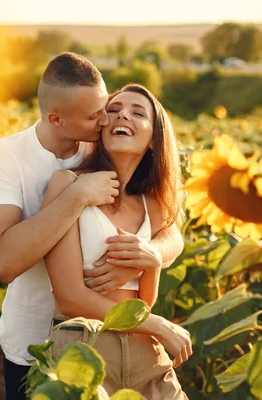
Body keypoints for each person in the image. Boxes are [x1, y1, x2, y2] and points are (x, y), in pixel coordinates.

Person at [0, 53, 185, 400]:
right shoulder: (9, 156)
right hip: (37, 340)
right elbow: (3, 263)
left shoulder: (108, 145)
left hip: (130, 347)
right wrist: (76, 197)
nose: (109, 119)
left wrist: (146, 256)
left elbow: (171, 232)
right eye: (98, 115)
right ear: (57, 119)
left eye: (108, 108)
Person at [42, 84, 192, 398]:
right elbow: (69, 297)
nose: (123, 113)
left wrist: (152, 264)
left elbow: (143, 302)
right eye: (113, 109)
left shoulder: (152, 205)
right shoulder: (69, 184)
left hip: (145, 352)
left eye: (138, 113)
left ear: (153, 140)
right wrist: (158, 326)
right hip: (84, 346)